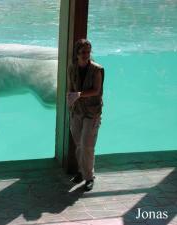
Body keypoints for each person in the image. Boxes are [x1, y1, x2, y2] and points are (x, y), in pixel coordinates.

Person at [66, 39, 104, 191]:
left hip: (92, 112)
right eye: (83, 52)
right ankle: (82, 172)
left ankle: (89, 177)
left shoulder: (97, 69)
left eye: (88, 52)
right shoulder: (72, 67)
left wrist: (79, 94)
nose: (86, 55)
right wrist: (70, 99)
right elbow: (71, 87)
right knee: (79, 144)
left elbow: (96, 90)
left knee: (88, 145)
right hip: (77, 111)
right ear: (77, 53)